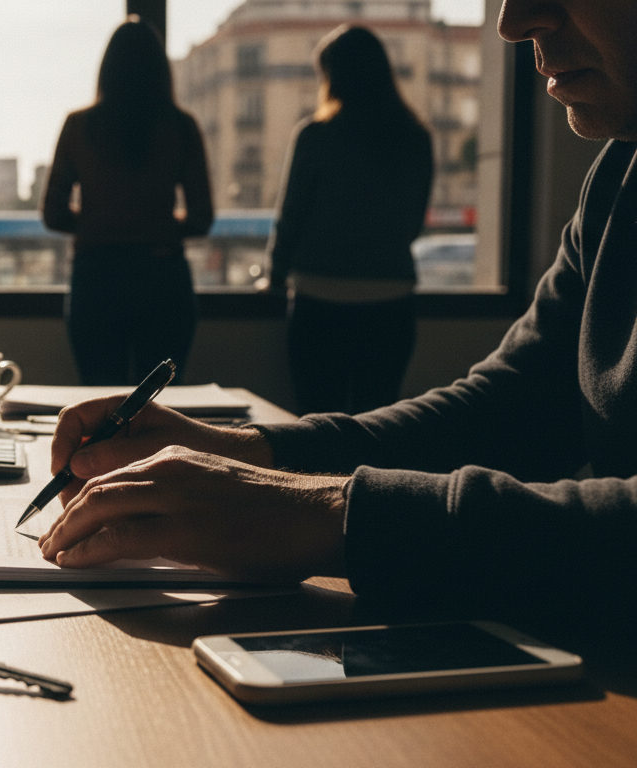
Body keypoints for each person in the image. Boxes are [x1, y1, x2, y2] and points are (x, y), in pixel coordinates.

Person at [38, 0, 637, 625]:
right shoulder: (617, 172)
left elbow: (289, 218)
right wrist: (247, 451)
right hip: (371, 298)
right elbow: (513, 411)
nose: (512, 22)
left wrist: (322, 513)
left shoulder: (309, 134)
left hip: (266, 293)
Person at [266, 25, 433, 415]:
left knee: (318, 424)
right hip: (390, 299)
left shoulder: (315, 135)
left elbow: (290, 217)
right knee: (376, 424)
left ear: (331, 76)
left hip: (319, 298)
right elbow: (413, 224)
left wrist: (275, 278)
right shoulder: (414, 137)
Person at [42, 17, 213, 386]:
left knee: (102, 402)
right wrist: (156, 225)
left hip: (97, 278)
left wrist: (98, 221)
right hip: (163, 278)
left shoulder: (79, 126)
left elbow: (53, 213)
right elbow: (201, 218)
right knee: (161, 408)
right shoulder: (181, 126)